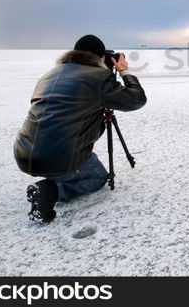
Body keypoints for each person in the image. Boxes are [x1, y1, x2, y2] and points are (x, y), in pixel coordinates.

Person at [13, 34, 147, 223]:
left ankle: (57, 177)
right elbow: (136, 99)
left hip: (24, 153)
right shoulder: (98, 77)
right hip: (58, 157)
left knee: (82, 156)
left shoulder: (50, 74)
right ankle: (51, 191)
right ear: (101, 58)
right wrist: (124, 71)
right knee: (98, 177)